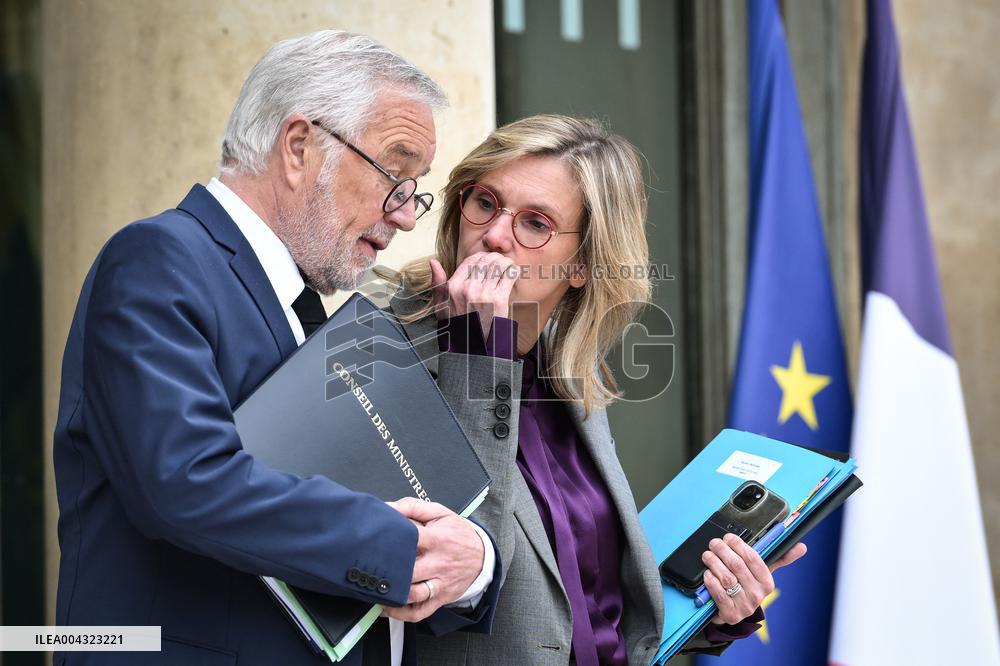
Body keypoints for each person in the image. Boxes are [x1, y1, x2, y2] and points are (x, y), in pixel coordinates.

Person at [52, 30, 500, 666]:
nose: (405, 215)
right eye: (394, 175)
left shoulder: (309, 311)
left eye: (414, 188)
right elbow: (188, 481)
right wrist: (408, 552)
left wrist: (471, 564)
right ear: (299, 147)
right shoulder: (159, 259)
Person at [384, 115, 808, 664]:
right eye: (485, 202)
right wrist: (475, 351)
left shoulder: (565, 372)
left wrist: (717, 607)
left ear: (583, 264)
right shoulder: (384, 348)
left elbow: (590, 604)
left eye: (535, 223)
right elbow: (443, 576)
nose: (492, 235)